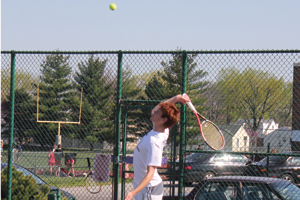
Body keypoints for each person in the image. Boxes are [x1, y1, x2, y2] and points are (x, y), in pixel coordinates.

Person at [125, 94, 191, 200]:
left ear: (163, 120)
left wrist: (132, 193)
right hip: (143, 186)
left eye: (158, 112)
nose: (154, 111)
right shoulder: (162, 130)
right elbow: (157, 108)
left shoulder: (154, 142)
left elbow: (150, 174)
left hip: (150, 188)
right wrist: (177, 98)